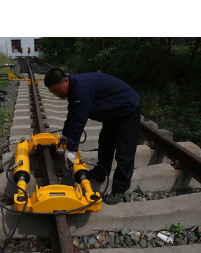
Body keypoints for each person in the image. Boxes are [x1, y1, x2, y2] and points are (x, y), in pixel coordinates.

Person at [44, 68, 141, 205]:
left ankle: (119, 189)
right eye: (53, 92)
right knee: (105, 143)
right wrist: (65, 135)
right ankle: (101, 172)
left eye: (58, 90)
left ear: (66, 80)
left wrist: (71, 149)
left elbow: (79, 119)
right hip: (113, 111)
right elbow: (72, 113)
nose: (57, 94)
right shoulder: (72, 88)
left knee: (124, 152)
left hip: (127, 109)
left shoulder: (81, 88)